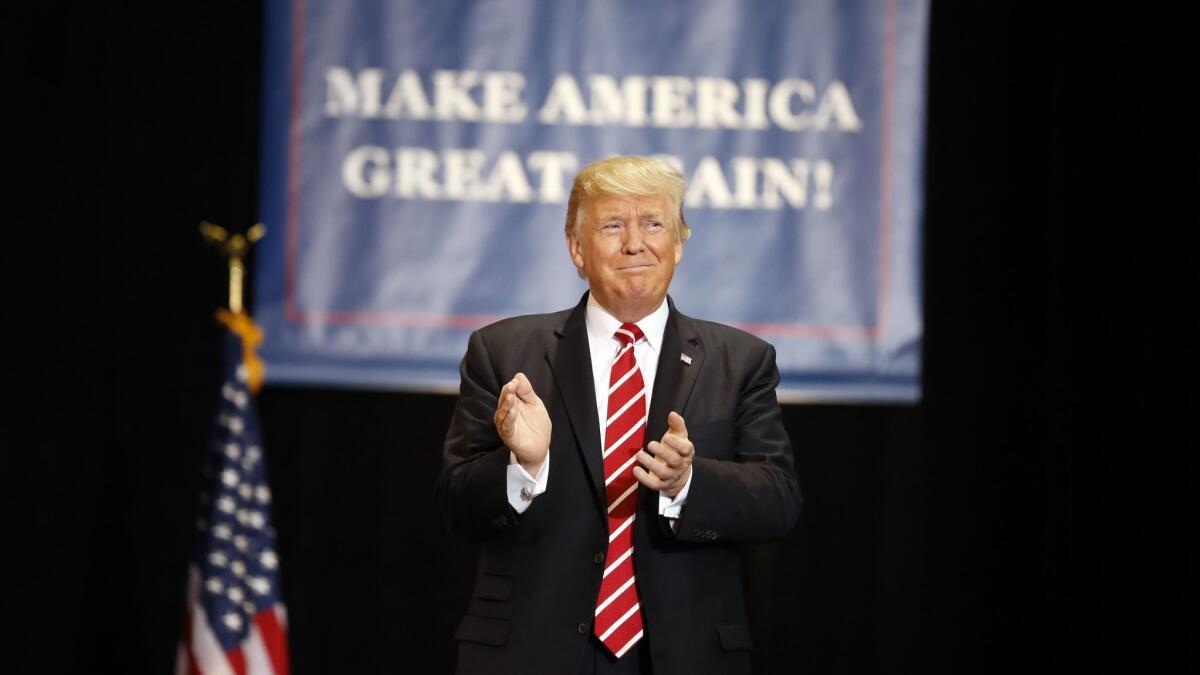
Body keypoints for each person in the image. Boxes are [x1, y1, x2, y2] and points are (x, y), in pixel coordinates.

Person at [437, 155, 801, 675]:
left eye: (653, 224)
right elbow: (456, 505)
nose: (635, 243)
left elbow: (779, 501)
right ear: (577, 249)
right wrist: (524, 466)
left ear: (678, 242)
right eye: (612, 226)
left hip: (682, 652)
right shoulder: (504, 353)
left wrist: (688, 483)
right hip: (532, 651)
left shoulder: (742, 361)